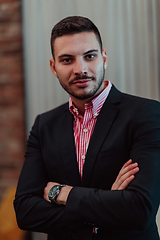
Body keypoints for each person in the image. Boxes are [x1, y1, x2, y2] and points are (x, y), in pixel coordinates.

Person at [14, 16, 160, 240]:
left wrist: (61, 193)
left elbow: (140, 209)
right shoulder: (44, 125)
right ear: (54, 67)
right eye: (67, 60)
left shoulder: (147, 114)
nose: (80, 69)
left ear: (104, 58)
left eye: (89, 56)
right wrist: (109, 204)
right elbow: (25, 212)